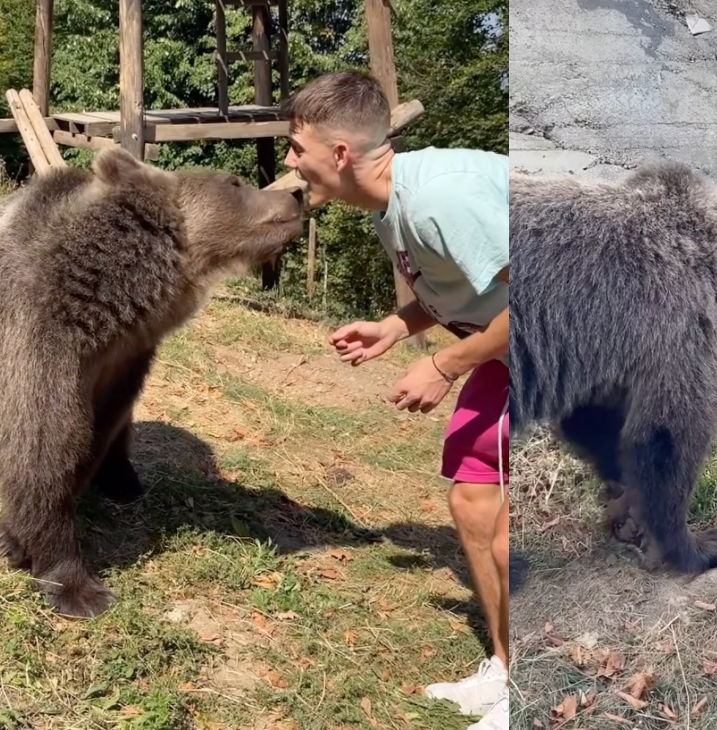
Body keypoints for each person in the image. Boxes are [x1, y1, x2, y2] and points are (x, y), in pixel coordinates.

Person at [279, 70, 509, 730]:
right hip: (506, 349)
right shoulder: (393, 208)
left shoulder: (441, 200)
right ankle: (506, 664)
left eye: (297, 148)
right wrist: (395, 327)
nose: (293, 164)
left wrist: (442, 365)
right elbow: (459, 289)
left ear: (340, 154)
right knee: (472, 500)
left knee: (508, 535)